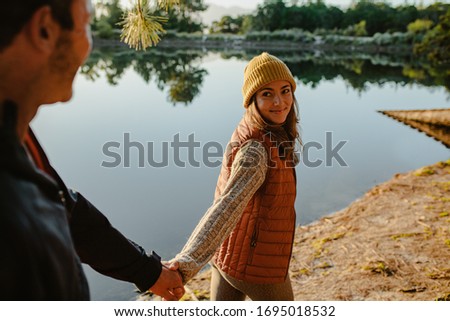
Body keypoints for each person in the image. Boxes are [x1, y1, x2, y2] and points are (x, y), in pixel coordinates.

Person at [0, 0, 184, 300]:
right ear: (45, 30)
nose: (89, 45)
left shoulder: (17, 135)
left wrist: (147, 272)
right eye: (86, 24)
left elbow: (69, 212)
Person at [172, 52, 301, 300]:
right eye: (267, 94)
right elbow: (227, 205)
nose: (280, 101)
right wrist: (186, 263)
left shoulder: (257, 128)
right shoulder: (255, 149)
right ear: (252, 99)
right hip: (257, 265)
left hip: (227, 253)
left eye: (285, 90)